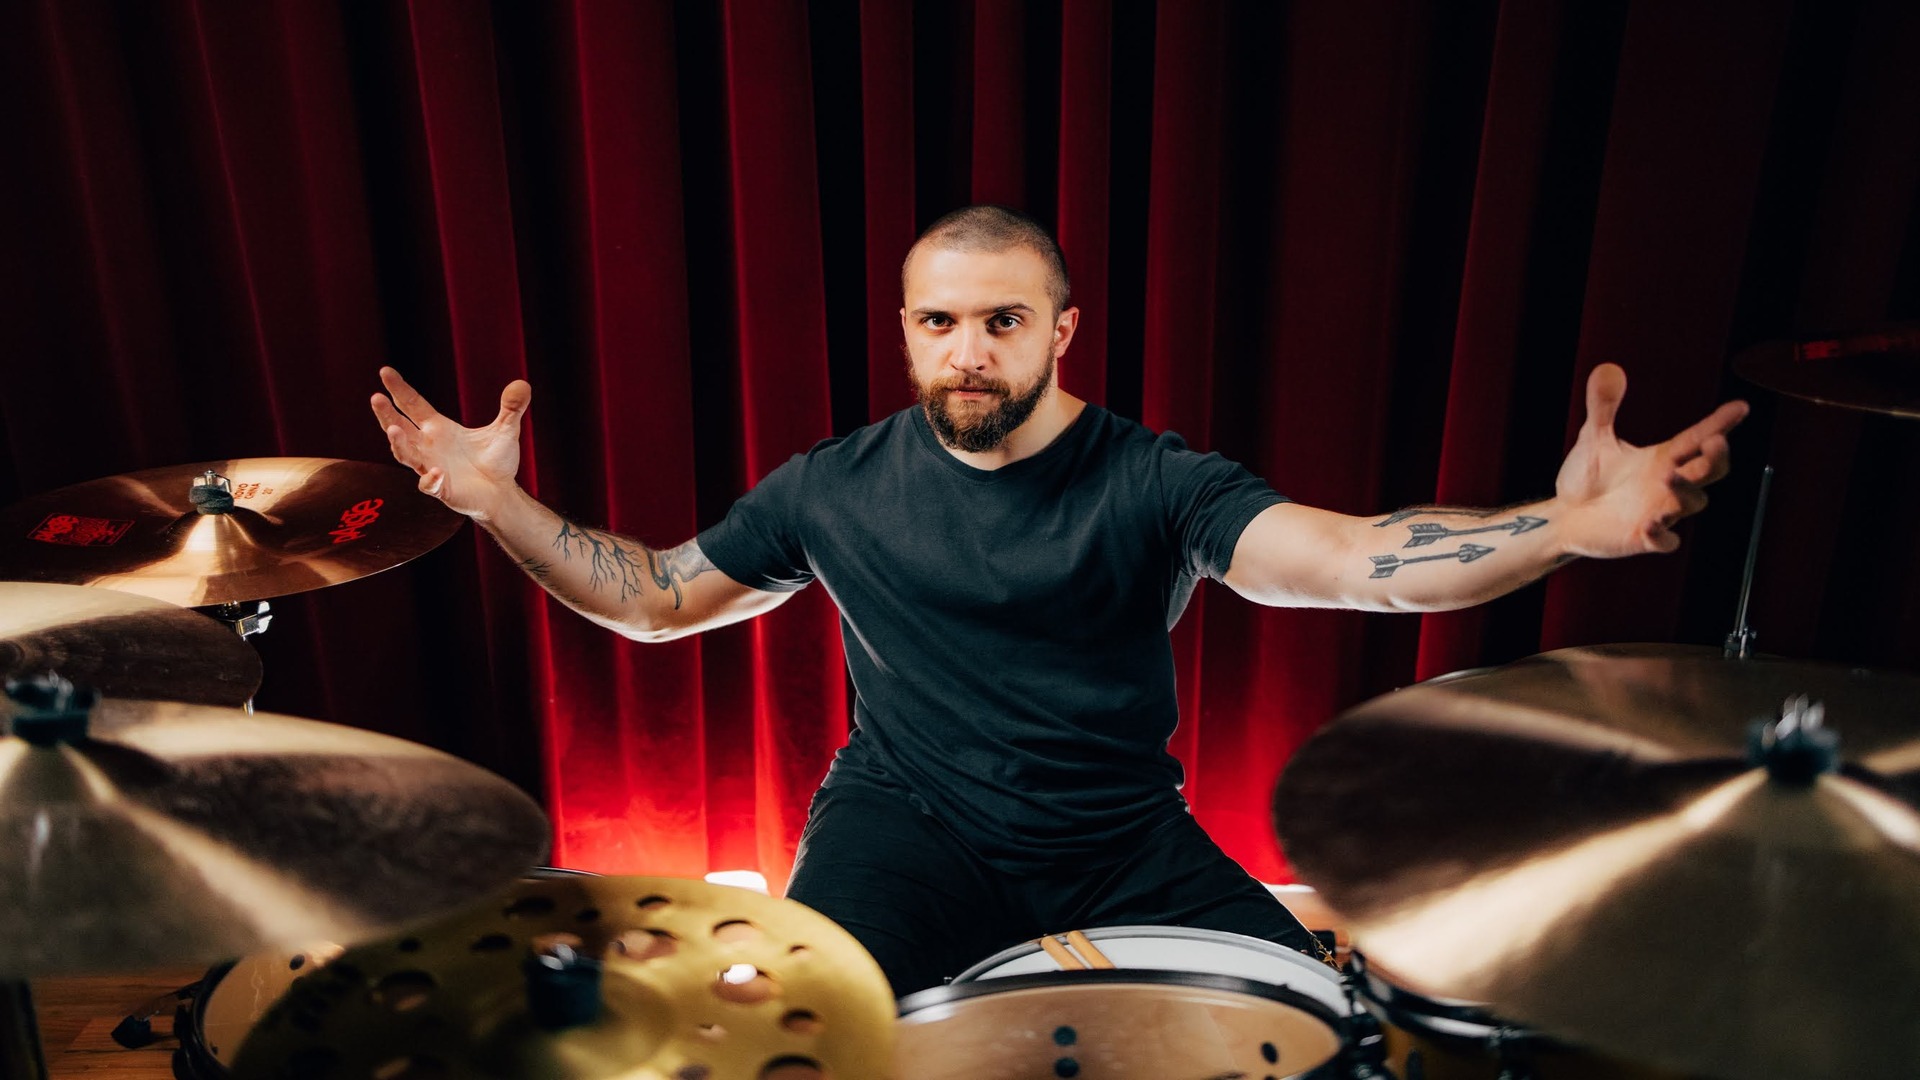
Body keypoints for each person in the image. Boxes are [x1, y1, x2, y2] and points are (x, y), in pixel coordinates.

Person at [371, 205, 1746, 996]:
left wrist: (1569, 527)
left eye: (1003, 322)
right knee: (801, 1032)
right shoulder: (832, 487)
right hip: (902, 830)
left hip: (1117, 839)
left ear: (1062, 330)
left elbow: (1347, 560)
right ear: (906, 328)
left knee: (1322, 1024)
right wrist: (500, 505)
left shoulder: (1155, 481)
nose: (968, 354)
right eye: (938, 322)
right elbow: (659, 598)